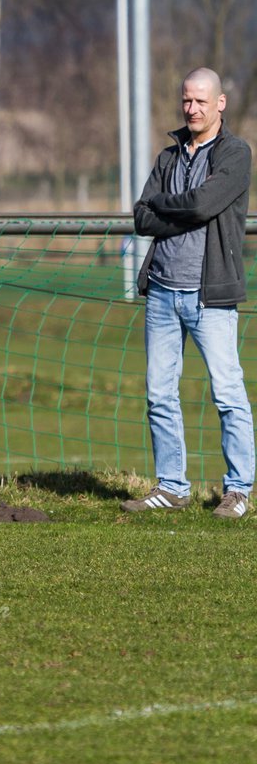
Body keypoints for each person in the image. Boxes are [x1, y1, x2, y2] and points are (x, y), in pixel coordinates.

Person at [124, 67, 254, 518]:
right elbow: (141, 217)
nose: (192, 108)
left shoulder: (236, 154)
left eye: (201, 101)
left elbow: (203, 203)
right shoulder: (167, 157)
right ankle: (172, 487)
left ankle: (238, 490)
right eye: (186, 100)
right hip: (161, 291)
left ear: (220, 103)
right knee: (159, 394)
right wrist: (171, 207)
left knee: (228, 393)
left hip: (209, 295)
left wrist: (165, 204)